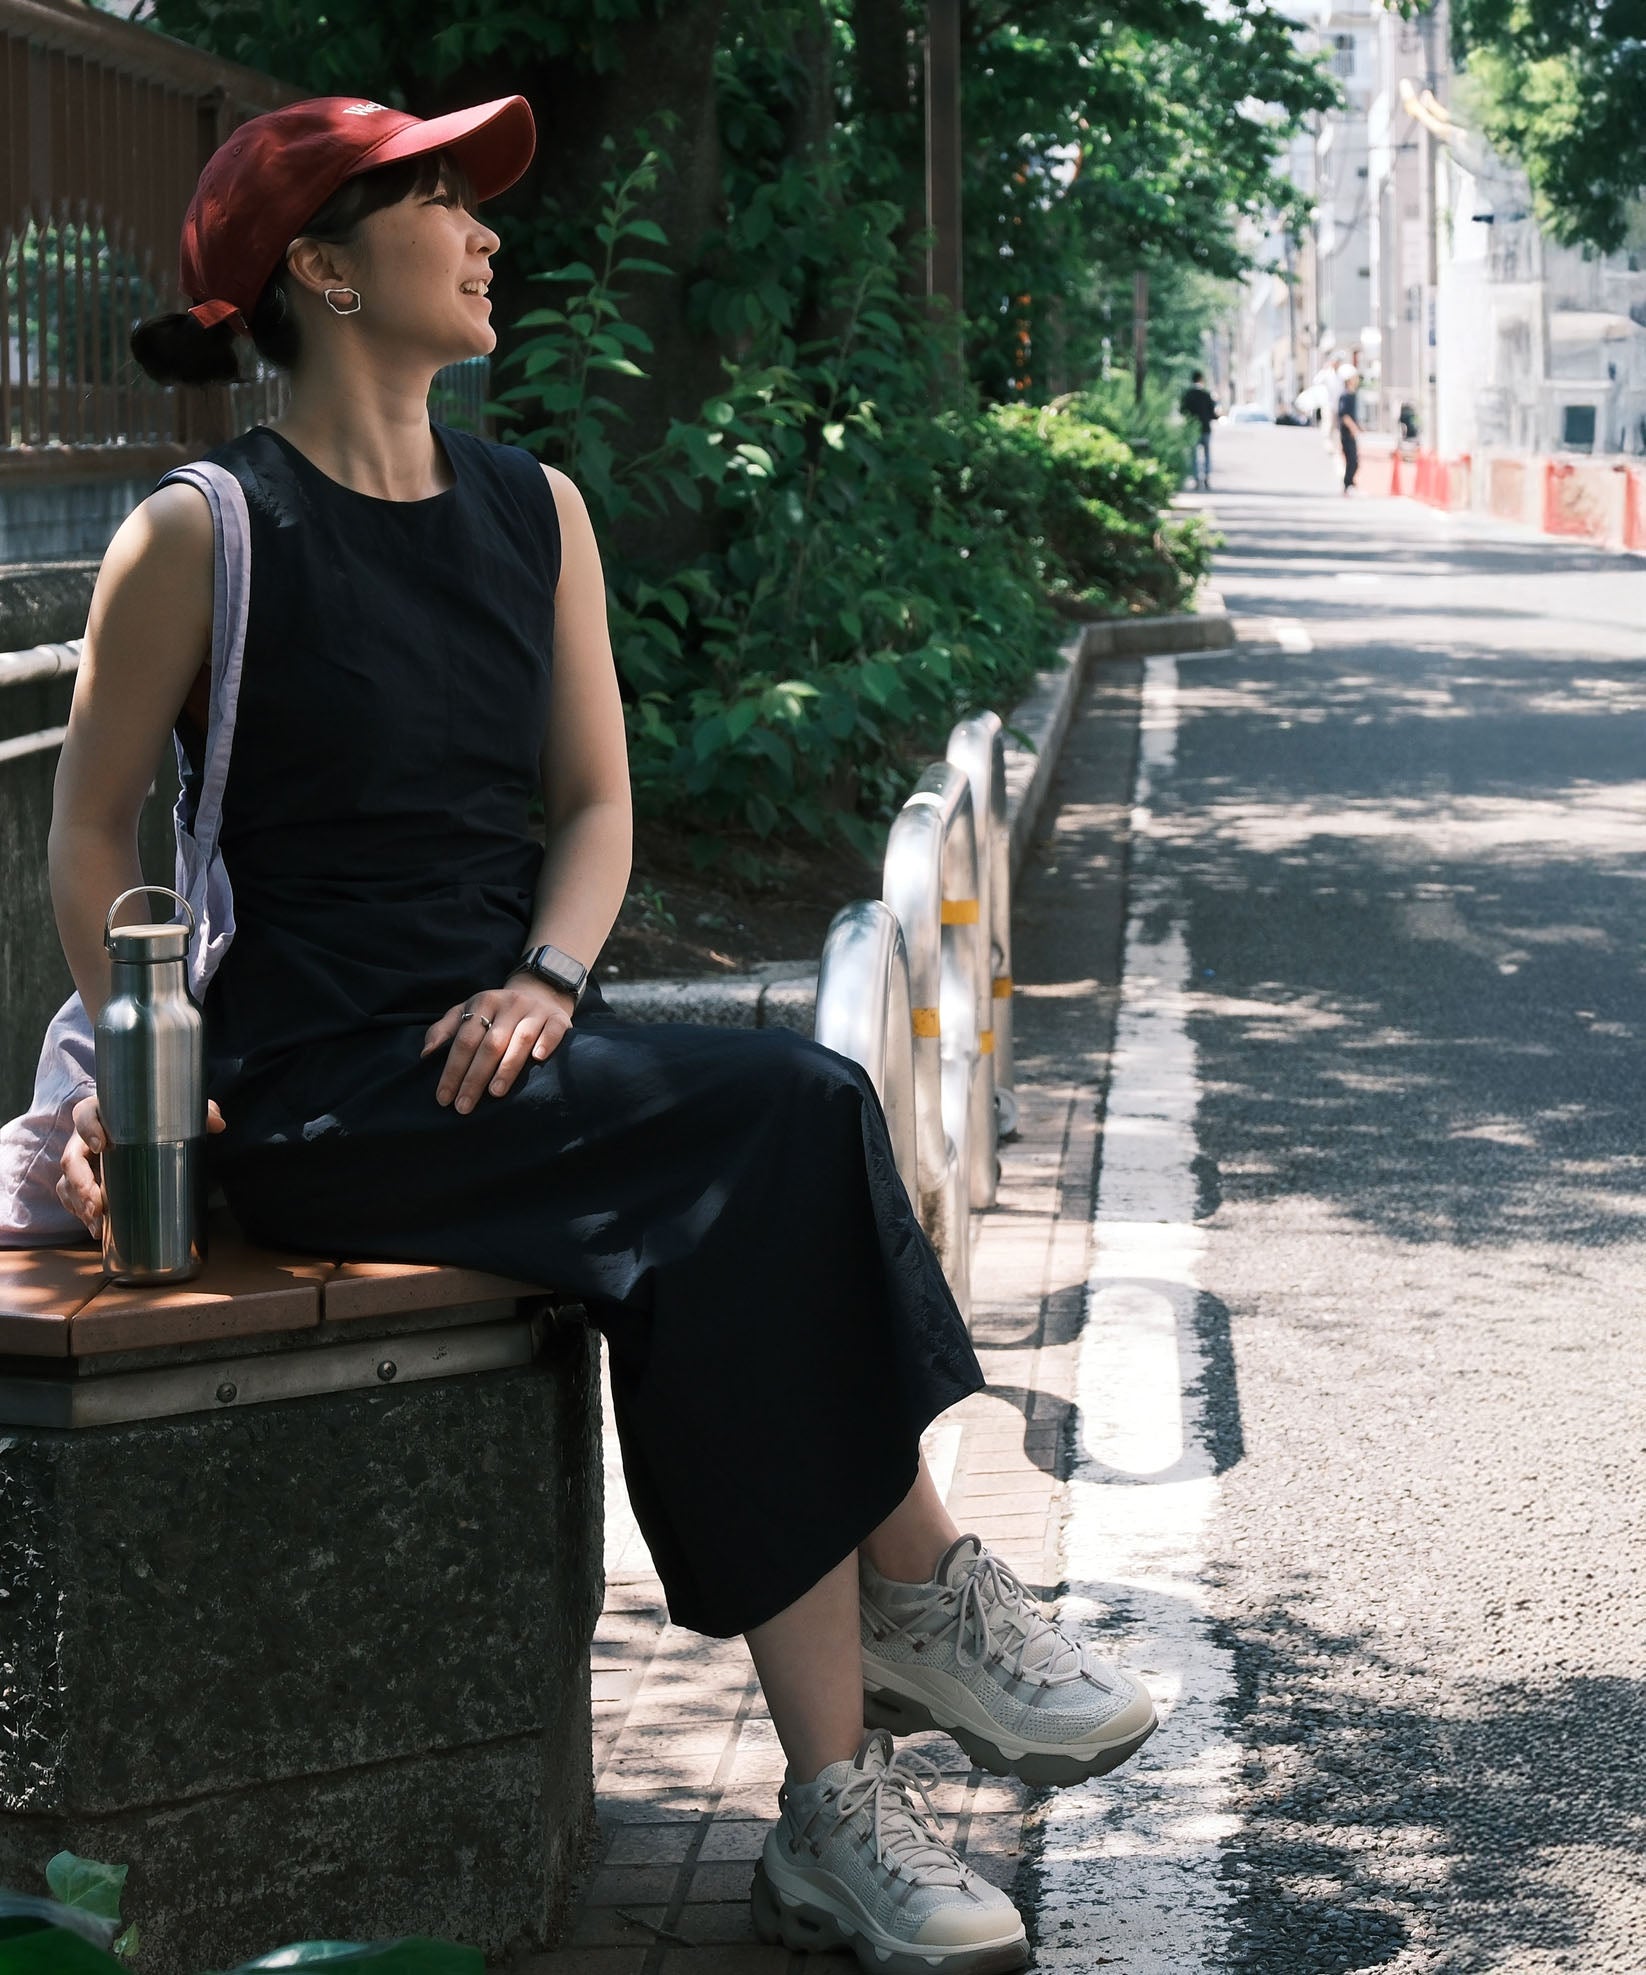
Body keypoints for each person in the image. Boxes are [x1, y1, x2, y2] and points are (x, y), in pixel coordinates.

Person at [43, 96, 1157, 1975]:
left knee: (742, 1197)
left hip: (521, 1049)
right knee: (783, 1113)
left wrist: (551, 979)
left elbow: (594, 812)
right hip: (316, 1084)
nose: (486, 234)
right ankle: (920, 1605)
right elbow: (82, 833)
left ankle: (833, 1800)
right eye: (437, 204)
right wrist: (158, 1079)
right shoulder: (202, 532)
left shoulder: (533, 508)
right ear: (319, 267)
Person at [1179, 368, 1217, 489]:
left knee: (1194, 456)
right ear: (1201, 379)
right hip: (1205, 428)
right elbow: (1212, 413)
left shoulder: (1188, 395)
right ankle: (1206, 477)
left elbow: (1182, 410)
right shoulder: (1206, 394)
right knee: (1207, 454)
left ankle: (1196, 479)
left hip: (1192, 429)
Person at [1337, 368, 1362, 493]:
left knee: (1355, 460)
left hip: (1351, 432)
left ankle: (1350, 482)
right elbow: (1344, 415)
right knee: (1351, 459)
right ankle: (1347, 484)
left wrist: (1359, 427)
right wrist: (1353, 428)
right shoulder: (1345, 395)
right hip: (1346, 433)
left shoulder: (1353, 395)